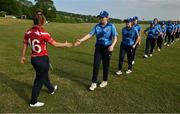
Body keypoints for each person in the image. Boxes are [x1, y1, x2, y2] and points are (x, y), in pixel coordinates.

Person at [21, 9, 72, 107]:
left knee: (43, 75)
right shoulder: (43, 33)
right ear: (42, 21)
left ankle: (51, 89)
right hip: (42, 59)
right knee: (39, 81)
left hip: (34, 59)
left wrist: (23, 56)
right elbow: (55, 44)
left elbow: (24, 45)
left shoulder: (27, 32)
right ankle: (33, 102)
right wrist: (65, 44)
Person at [74, 11, 118, 91]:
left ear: (107, 17)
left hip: (107, 48)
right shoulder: (97, 26)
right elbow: (90, 34)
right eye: (100, 17)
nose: (100, 19)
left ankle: (105, 81)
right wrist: (81, 40)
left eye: (102, 17)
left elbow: (115, 37)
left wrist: (112, 46)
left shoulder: (111, 26)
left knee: (105, 65)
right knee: (96, 65)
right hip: (98, 47)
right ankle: (94, 82)